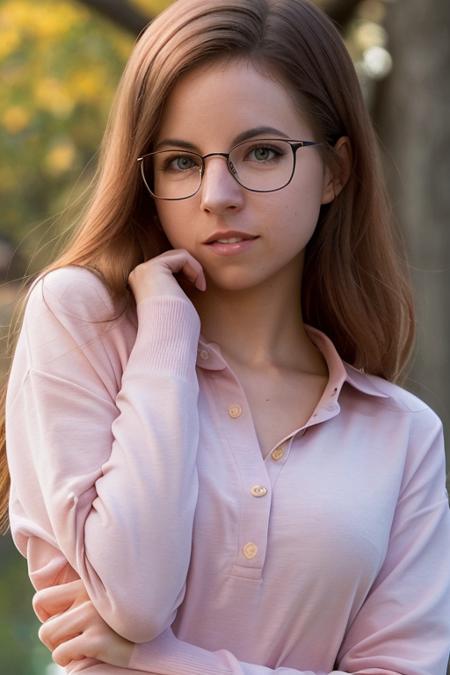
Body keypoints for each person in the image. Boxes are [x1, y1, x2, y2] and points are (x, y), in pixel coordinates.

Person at [2, 0, 450, 673]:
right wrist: (165, 332)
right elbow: (135, 595)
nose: (217, 194)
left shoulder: (403, 436)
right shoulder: (82, 322)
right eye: (181, 162)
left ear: (336, 170)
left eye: (262, 152)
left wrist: (165, 661)